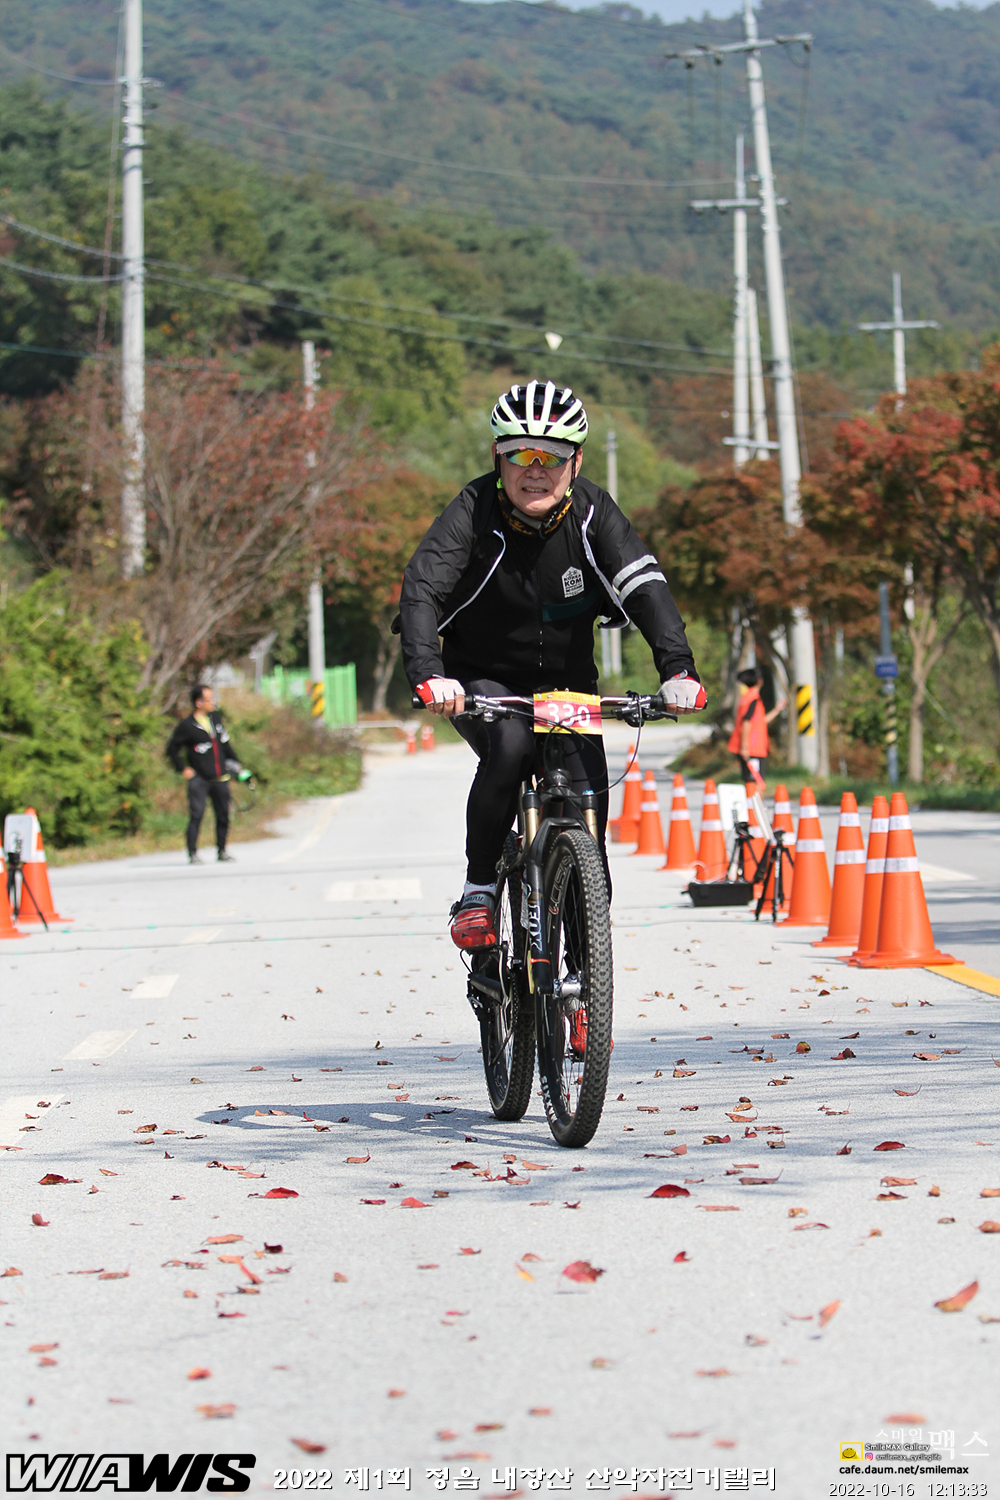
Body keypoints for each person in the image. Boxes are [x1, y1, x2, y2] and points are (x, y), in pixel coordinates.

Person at [398, 378, 706, 951]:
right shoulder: (472, 511)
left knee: (589, 824)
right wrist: (428, 673)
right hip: (482, 680)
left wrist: (678, 670)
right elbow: (422, 591)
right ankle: (479, 888)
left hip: (568, 688)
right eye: (521, 455)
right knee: (511, 747)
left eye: (553, 456)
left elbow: (645, 587)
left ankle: (584, 971)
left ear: (576, 461)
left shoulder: (593, 513)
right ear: (498, 458)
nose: (535, 471)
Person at [166, 684, 241, 865]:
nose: (213, 702)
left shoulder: (216, 720)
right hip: (199, 779)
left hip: (220, 777)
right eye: (209, 699)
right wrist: (183, 768)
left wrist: (236, 764)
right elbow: (172, 749)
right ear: (199, 702)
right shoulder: (187, 726)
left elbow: (225, 745)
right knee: (197, 815)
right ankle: (192, 852)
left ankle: (222, 850)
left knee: (223, 815)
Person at [727, 666, 786, 791]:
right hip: (753, 748)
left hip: (752, 748)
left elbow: (760, 722)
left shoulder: (746, 699)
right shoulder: (753, 699)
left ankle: (753, 804)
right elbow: (746, 722)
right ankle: (756, 805)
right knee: (756, 783)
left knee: (752, 782)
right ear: (760, 681)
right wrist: (745, 747)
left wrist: (777, 710)